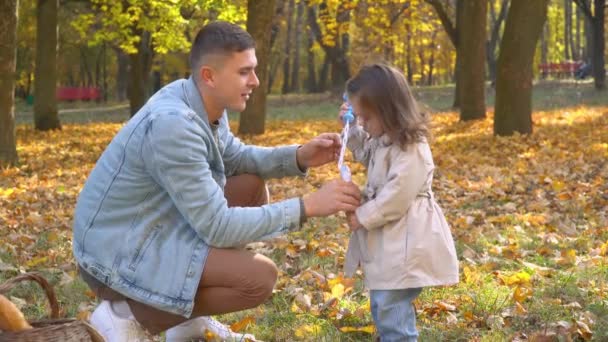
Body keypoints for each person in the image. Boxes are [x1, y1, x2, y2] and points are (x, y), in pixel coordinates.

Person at [73, 21, 361, 341]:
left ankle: (186, 323)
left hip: (154, 226)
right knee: (258, 278)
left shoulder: (203, 102)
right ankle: (123, 317)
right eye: (244, 72)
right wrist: (307, 206)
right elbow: (217, 226)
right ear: (209, 75)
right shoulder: (174, 125)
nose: (255, 81)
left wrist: (299, 157)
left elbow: (235, 158)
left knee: (250, 186)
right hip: (113, 257)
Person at [339, 63, 459, 341]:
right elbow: (365, 155)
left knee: (391, 300)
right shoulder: (385, 139)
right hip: (392, 238)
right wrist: (353, 129)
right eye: (361, 118)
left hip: (407, 240)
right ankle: (390, 335)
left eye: (366, 118)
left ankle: (398, 337)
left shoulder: (411, 147)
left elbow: (398, 195)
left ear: (389, 109)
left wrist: (364, 215)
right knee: (383, 296)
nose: (365, 125)